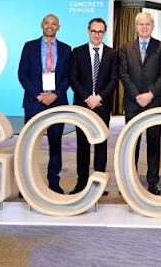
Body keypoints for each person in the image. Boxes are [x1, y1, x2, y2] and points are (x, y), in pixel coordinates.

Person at [18, 14, 71, 194]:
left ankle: (54, 182)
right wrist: (37, 95)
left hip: (57, 103)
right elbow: (22, 74)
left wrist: (55, 95)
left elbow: (68, 77)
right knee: (29, 145)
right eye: (47, 23)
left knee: (55, 145)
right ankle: (26, 182)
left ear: (58, 27)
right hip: (34, 103)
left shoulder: (66, 49)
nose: (50, 26)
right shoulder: (29, 46)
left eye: (54, 24)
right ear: (42, 25)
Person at [119, 12, 161, 195]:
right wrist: (137, 96)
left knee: (154, 143)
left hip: (154, 102)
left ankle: (153, 181)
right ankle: (130, 180)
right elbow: (123, 74)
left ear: (153, 26)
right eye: (141, 24)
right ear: (136, 26)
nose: (144, 27)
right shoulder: (126, 48)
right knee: (132, 143)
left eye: (148, 24)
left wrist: (150, 94)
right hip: (133, 103)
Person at [68, 18, 119, 195]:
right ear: (89, 31)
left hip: (102, 106)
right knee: (82, 145)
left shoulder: (112, 54)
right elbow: (73, 77)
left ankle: (99, 183)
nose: (97, 35)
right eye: (94, 31)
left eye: (100, 31)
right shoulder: (77, 52)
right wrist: (87, 97)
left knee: (101, 145)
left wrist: (99, 97)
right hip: (82, 105)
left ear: (104, 33)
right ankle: (81, 182)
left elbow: (114, 79)